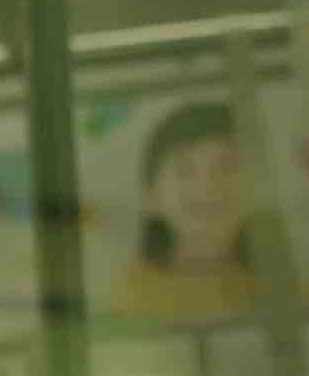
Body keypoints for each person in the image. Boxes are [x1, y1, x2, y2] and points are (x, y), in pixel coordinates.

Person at [114, 101, 267, 323]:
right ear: (151, 197)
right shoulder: (131, 294)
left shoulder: (280, 284)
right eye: (184, 170)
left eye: (227, 166)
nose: (207, 185)